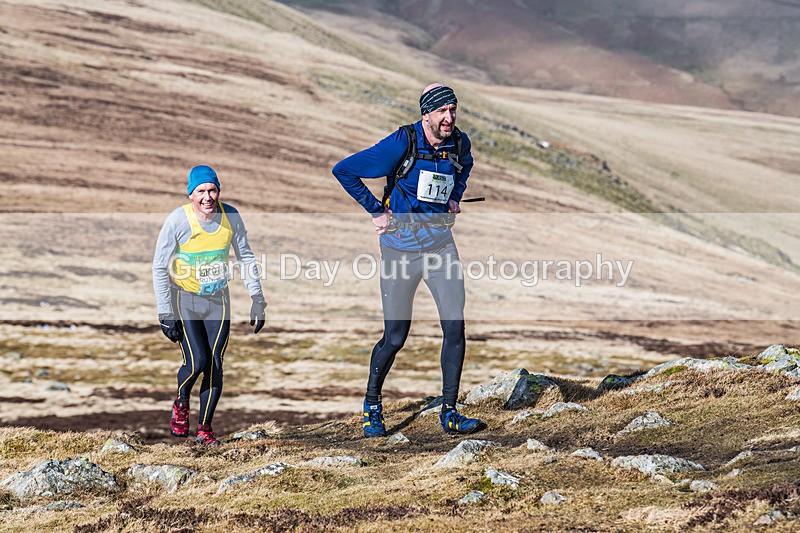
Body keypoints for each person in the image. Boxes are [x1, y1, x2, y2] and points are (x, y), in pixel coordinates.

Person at [332, 83, 485, 437]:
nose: (449, 118)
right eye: (442, 111)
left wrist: (453, 197)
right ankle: (372, 405)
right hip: (400, 250)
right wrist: (376, 211)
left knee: (455, 326)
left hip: (440, 247)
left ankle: (450, 410)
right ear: (426, 113)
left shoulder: (459, 143)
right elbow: (344, 170)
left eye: (453, 110)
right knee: (396, 336)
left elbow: (464, 167)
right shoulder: (403, 142)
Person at [152, 165, 267, 446]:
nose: (207, 196)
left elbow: (246, 257)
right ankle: (181, 403)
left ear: (219, 191)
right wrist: (165, 312)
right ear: (191, 194)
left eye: (212, 190)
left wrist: (257, 298)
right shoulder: (178, 220)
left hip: (219, 301)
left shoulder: (231, 217)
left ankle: (205, 428)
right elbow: (159, 266)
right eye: (201, 191)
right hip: (186, 300)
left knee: (215, 364)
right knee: (196, 362)